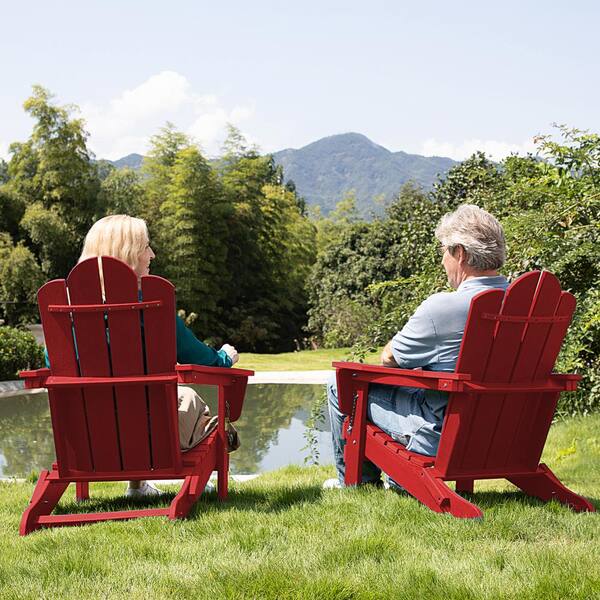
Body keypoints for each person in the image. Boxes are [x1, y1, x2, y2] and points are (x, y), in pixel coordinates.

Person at [324, 204, 510, 489]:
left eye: (444, 252)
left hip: (440, 436)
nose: (443, 261)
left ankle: (357, 484)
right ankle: (398, 479)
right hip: (504, 437)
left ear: (460, 253)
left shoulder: (445, 306)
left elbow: (389, 359)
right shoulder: (530, 307)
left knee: (341, 385)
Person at [78, 215, 239, 497]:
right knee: (189, 400)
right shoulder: (153, 309)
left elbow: (51, 366)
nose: (152, 254)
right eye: (146, 247)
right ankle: (205, 454)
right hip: (152, 439)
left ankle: (137, 487)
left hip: (90, 439)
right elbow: (204, 360)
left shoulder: (70, 313)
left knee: (159, 398)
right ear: (127, 254)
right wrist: (226, 357)